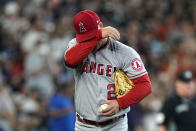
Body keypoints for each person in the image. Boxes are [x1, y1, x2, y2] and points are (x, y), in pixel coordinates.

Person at [64, 10, 152, 131]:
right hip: (84, 125)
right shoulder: (74, 45)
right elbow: (70, 61)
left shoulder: (123, 52)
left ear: (101, 26)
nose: (89, 42)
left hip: (115, 125)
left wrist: (119, 103)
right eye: (85, 38)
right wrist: (96, 36)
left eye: (91, 37)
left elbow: (145, 85)